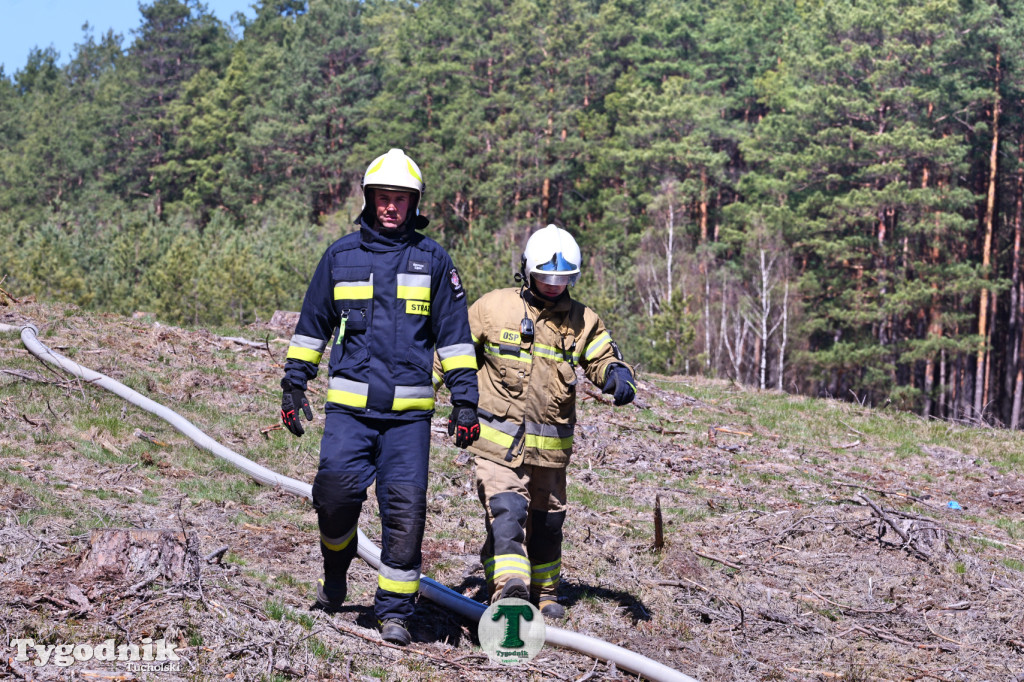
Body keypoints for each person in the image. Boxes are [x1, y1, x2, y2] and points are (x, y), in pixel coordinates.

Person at [279, 148, 480, 646]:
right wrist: (293, 381)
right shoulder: (341, 257)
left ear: (415, 204)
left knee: (405, 511)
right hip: (349, 413)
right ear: (368, 200)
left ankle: (394, 612)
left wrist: (465, 400)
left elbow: (454, 337)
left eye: (400, 200)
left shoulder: (433, 261)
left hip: (407, 422)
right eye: (382, 198)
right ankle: (335, 569)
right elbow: (311, 327)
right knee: (333, 496)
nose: (391, 207)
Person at [437, 224, 636, 619]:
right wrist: (425, 398)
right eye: (546, 277)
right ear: (527, 270)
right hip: (496, 444)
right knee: (507, 512)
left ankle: (545, 593)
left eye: (563, 280)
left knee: (546, 524)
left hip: (551, 453)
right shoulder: (493, 309)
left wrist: (617, 374)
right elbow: (450, 353)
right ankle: (510, 589)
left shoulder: (582, 320)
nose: (553, 286)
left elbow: (601, 357)